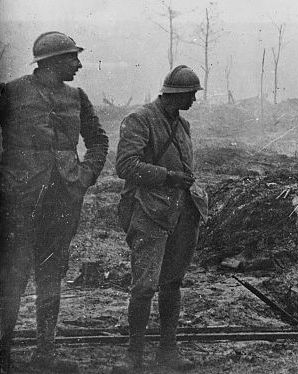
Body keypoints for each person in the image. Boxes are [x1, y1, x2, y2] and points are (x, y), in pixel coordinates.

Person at [0, 32, 109, 373]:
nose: (78, 64)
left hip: (62, 202)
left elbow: (98, 140)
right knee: (12, 277)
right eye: (72, 58)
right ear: (52, 62)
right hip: (18, 202)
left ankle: (45, 354)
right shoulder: (12, 92)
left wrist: (84, 176)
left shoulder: (77, 97)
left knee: (51, 274)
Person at [112, 66, 208, 373]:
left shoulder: (184, 125)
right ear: (176, 94)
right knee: (143, 287)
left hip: (183, 212)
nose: (195, 98)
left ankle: (168, 352)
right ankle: (133, 355)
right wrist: (168, 177)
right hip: (149, 211)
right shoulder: (140, 120)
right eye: (192, 93)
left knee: (172, 284)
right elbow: (126, 165)